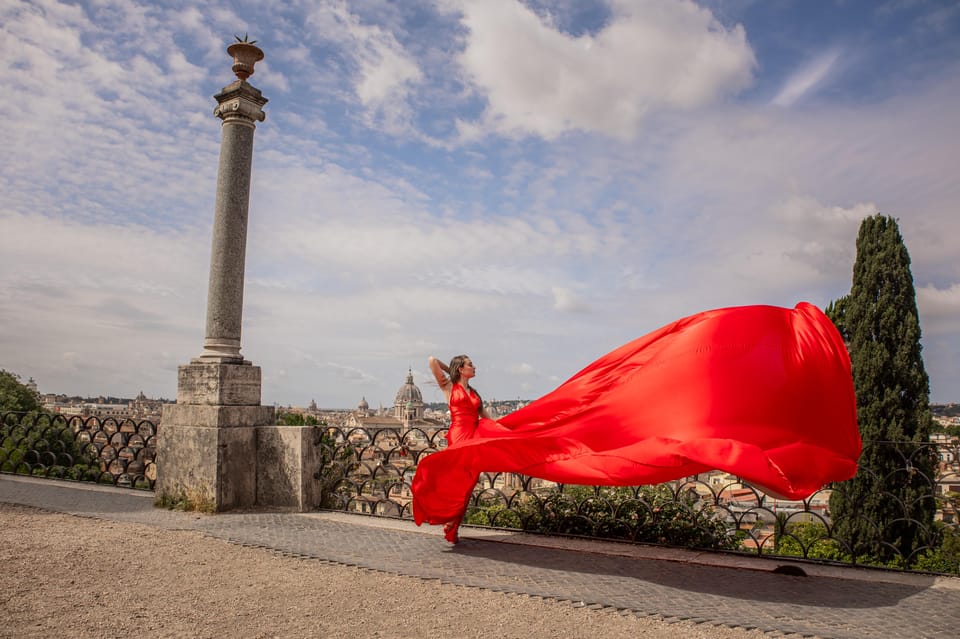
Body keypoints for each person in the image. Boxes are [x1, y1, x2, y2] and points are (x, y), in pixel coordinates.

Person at [413, 302, 861, 544]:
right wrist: (448, 368)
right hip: (458, 434)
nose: (474, 366)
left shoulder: (473, 393)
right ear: (460, 369)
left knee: (473, 470)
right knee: (460, 470)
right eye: (469, 364)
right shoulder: (452, 385)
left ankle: (451, 523)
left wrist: (513, 426)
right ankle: (448, 520)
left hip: (478, 430)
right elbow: (434, 363)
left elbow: (486, 414)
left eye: (471, 364)